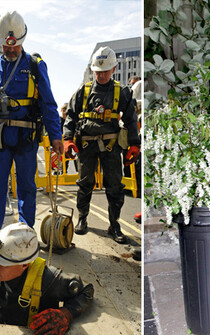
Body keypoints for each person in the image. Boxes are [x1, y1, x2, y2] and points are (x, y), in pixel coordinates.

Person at [0, 11, 63, 249]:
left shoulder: (35, 66)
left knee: (26, 187)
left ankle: (26, 230)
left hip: (26, 137)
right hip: (0, 138)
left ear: (22, 40)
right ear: (1, 41)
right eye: (6, 46)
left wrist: (56, 138)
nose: (10, 50)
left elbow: (49, 104)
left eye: (15, 46)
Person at [0, 222, 94, 335]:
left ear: (24, 265)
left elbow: (86, 291)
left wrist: (66, 314)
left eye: (2, 264)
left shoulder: (49, 279)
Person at [63, 46, 140, 243]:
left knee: (114, 186)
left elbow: (131, 119)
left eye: (105, 71)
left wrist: (134, 144)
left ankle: (114, 224)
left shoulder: (122, 92)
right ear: (93, 70)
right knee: (85, 184)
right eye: (98, 71)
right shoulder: (83, 91)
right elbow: (70, 115)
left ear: (113, 69)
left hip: (112, 145)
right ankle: (83, 219)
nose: (102, 75)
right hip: (87, 145)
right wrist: (67, 139)